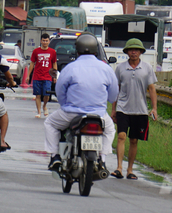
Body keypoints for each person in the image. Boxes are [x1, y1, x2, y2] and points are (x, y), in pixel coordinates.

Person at [44, 33, 118, 171]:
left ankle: (55, 157)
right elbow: (113, 95)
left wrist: (65, 104)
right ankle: (102, 160)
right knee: (110, 130)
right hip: (99, 115)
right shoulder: (106, 69)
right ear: (96, 50)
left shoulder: (71, 67)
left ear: (77, 49)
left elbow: (60, 91)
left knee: (50, 123)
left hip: (72, 113)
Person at [110, 38, 158, 180]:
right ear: (127, 52)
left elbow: (152, 89)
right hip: (123, 108)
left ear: (141, 52)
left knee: (134, 140)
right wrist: (113, 109)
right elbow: (115, 89)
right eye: (131, 50)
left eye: (136, 50)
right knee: (121, 136)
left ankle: (130, 169)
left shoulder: (147, 68)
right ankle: (119, 167)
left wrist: (154, 108)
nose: (134, 52)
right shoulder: (120, 68)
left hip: (140, 110)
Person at [28, 33, 57, 118]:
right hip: (37, 76)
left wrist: (55, 76)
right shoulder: (36, 51)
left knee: (46, 94)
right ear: (41, 41)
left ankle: (44, 106)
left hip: (48, 76)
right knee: (38, 95)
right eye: (43, 41)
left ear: (49, 41)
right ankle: (39, 112)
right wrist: (28, 75)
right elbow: (32, 63)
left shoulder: (52, 52)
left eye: (46, 41)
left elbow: (54, 63)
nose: (45, 42)